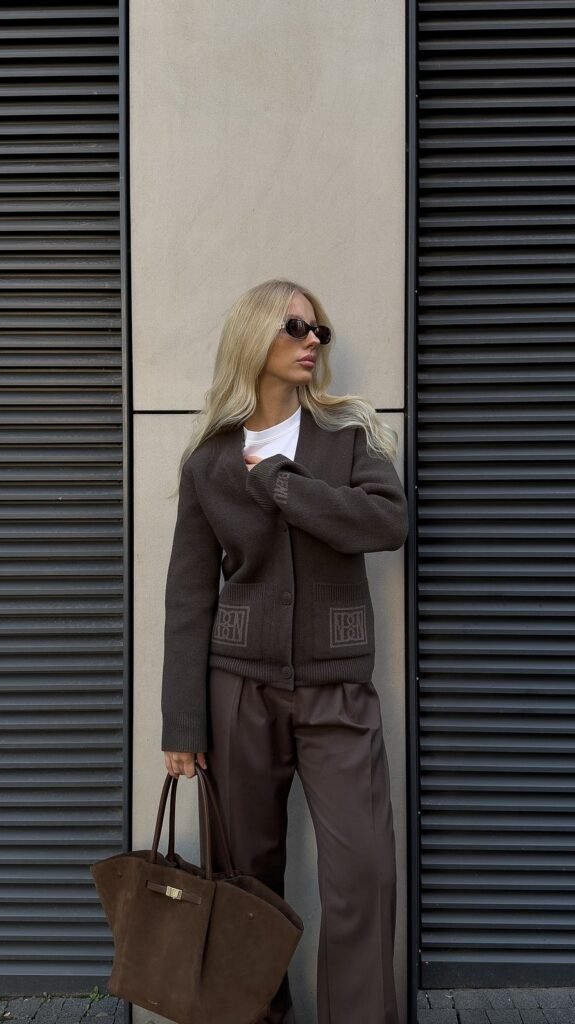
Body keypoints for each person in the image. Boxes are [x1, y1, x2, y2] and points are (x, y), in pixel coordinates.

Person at [160, 278, 408, 1024]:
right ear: (254, 337)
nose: (311, 340)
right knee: (245, 882)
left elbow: (384, 523)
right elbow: (189, 596)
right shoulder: (207, 459)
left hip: (337, 691)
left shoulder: (346, 437)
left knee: (362, 874)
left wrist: (279, 483)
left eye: (319, 331)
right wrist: (181, 727)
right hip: (237, 689)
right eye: (295, 326)